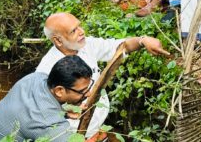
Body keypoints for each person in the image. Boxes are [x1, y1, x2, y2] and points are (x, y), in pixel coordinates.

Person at [35, 12, 170, 140]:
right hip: (73, 134)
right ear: (58, 40)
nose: (81, 32)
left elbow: (119, 47)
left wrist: (143, 40)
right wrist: (65, 112)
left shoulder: (86, 45)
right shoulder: (46, 70)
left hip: (97, 126)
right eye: (73, 31)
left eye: (79, 26)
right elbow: (39, 109)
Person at [0, 55, 93, 142]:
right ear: (59, 91)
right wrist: (98, 136)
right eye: (82, 91)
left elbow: (31, 111)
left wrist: (64, 113)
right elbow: (41, 118)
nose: (89, 94)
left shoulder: (36, 77)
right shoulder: (48, 124)